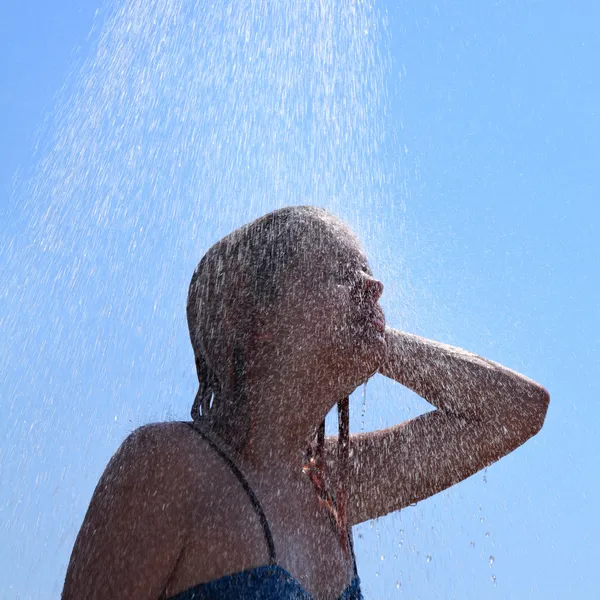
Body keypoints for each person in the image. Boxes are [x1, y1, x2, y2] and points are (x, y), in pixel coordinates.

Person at [62, 206, 549, 599]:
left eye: (369, 276)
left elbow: (516, 410)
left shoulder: (332, 482)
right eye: (341, 274)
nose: (374, 287)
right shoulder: (169, 466)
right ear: (260, 319)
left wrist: (377, 340)